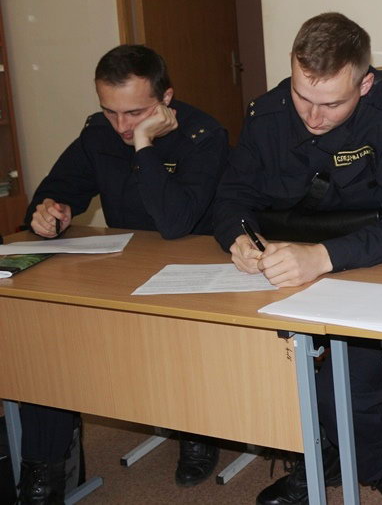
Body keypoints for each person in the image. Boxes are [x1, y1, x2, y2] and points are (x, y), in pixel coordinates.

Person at [212, 12, 382, 505]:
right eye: (303, 97)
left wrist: (322, 257)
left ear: (366, 83)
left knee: (341, 388)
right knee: (257, 368)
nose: (313, 117)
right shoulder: (266, 113)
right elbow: (232, 195)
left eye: (332, 103)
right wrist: (239, 237)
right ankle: (329, 454)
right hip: (290, 261)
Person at [21, 44, 228, 503]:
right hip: (124, 271)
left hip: (191, 279)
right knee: (42, 336)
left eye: (135, 112)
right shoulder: (98, 134)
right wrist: (50, 213)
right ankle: (45, 470)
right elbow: (54, 191)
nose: (121, 126)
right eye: (109, 111)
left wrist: (144, 144)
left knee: (175, 338)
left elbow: (175, 223)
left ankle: (197, 428)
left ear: (166, 99)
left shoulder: (204, 136)